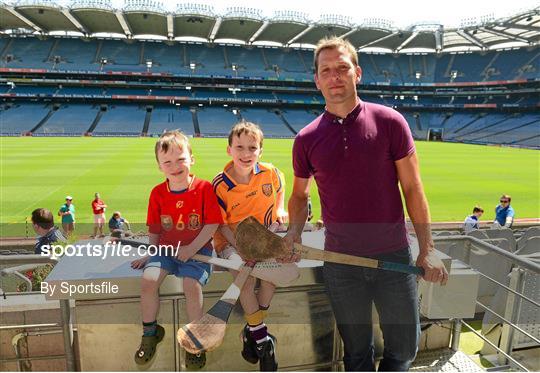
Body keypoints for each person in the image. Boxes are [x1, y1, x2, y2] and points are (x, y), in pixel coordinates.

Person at [283, 37, 448, 371]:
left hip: (394, 258)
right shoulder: (306, 139)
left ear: (356, 72)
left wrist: (427, 248)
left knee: (404, 348)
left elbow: (413, 189)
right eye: (326, 70)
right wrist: (294, 234)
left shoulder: (390, 121)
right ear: (317, 80)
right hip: (341, 263)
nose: (334, 76)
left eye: (342, 68)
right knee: (357, 353)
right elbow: (300, 196)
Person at [130, 130, 223, 368]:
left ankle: (196, 339)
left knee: (191, 286)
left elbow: (212, 223)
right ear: (160, 167)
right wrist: (152, 253)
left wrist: (191, 249)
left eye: (180, 159)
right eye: (167, 162)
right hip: (167, 251)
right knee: (149, 280)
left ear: (192, 158)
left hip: (198, 252)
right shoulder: (157, 193)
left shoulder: (203, 188)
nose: (175, 166)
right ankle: (150, 333)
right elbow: (155, 228)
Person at [212, 121, 287, 371]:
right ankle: (264, 342)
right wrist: (243, 249)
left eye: (252, 148)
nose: (246, 154)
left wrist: (280, 210)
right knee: (243, 278)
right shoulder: (220, 185)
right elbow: (220, 226)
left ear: (260, 151)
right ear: (229, 150)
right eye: (239, 147)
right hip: (231, 243)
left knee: (271, 279)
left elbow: (280, 188)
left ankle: (252, 330)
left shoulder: (271, 173)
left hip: (263, 240)